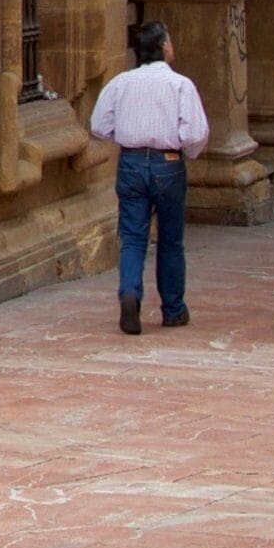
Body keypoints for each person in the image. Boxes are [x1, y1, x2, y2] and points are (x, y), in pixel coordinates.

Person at [88, 20, 208, 335]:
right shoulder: (180, 85)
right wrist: (185, 151)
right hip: (167, 163)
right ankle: (173, 309)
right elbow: (195, 132)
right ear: (163, 46)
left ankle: (130, 292)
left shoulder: (120, 83)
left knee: (132, 237)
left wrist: (127, 137)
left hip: (130, 162)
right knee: (170, 240)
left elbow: (99, 125)